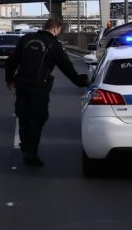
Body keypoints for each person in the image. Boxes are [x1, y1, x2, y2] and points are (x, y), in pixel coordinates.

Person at [5, 16, 89, 167]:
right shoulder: (54, 45)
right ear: (56, 28)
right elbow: (66, 67)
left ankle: (25, 145)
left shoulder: (26, 39)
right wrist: (81, 82)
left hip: (22, 84)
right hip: (39, 87)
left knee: (24, 116)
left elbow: (12, 60)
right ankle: (31, 152)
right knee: (38, 118)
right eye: (59, 30)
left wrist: (8, 78)